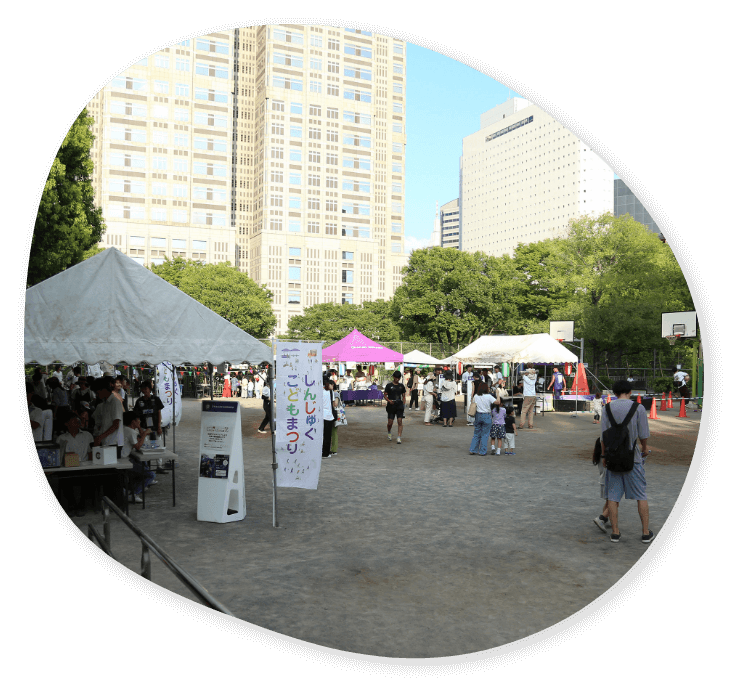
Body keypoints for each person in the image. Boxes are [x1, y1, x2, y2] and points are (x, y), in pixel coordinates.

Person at [600, 380, 653, 543]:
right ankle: (645, 532)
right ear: (630, 392)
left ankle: (615, 532)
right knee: (641, 495)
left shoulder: (607, 408)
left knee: (613, 496)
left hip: (613, 457)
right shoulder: (638, 408)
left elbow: (603, 437)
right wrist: (645, 448)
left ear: (615, 393)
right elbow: (643, 434)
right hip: (633, 457)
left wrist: (603, 456)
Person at [56, 407, 95, 516]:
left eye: (77, 420)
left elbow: (91, 453)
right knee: (65, 480)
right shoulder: (61, 438)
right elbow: (60, 457)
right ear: (66, 424)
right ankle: (71, 505)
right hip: (69, 468)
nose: (77, 422)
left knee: (89, 479)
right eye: (73, 421)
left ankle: (82, 505)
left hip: (85, 467)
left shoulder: (87, 435)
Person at [121, 411, 156, 503]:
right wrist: (144, 434)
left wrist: (141, 432)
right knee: (151, 475)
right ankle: (133, 494)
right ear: (133, 421)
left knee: (142, 464)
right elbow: (138, 446)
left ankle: (131, 490)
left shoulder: (125, 429)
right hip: (124, 460)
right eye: (138, 420)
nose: (140, 421)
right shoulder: (130, 431)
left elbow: (136, 442)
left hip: (123, 458)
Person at [91, 377, 124, 453]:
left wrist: (100, 437)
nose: (96, 395)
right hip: (106, 441)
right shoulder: (104, 404)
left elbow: (116, 425)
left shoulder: (115, 402)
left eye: (97, 392)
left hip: (114, 442)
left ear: (103, 390)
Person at [469, 382, 499, 456]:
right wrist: (498, 394)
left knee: (476, 433)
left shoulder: (476, 396)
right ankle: (482, 451)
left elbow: (472, 402)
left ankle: (473, 449)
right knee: (485, 434)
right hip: (487, 415)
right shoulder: (489, 396)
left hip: (478, 415)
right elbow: (498, 402)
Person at [132, 380, 164, 450]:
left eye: (145, 388)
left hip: (155, 427)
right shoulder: (139, 401)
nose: (144, 390)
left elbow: (159, 413)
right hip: (144, 428)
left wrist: (159, 427)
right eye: (142, 389)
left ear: (150, 389)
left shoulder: (156, 399)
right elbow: (136, 417)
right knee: (145, 447)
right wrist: (140, 429)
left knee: (157, 446)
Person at [592, 437, 612, 533]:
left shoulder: (598, 456)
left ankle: (606, 519)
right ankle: (601, 518)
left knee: (608, 502)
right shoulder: (606, 457)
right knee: (614, 502)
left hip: (603, 481)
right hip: (608, 481)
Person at [383, 370, 406, 443]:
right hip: (391, 405)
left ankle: (399, 437)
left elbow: (404, 396)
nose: (397, 379)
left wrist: (404, 404)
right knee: (390, 422)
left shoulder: (401, 386)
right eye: (396, 377)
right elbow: (385, 395)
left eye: (399, 378)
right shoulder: (389, 385)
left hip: (399, 405)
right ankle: (389, 432)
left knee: (400, 421)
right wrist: (389, 400)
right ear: (393, 377)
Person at [520, 365, 538, 430]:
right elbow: (535, 373)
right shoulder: (535, 376)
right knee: (531, 411)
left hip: (527, 395)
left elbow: (521, 373)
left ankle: (521, 425)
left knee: (524, 411)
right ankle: (530, 425)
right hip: (533, 395)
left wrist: (526, 373)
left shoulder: (525, 377)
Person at [321, 378, 335, 458]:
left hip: (320, 415)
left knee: (320, 434)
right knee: (327, 435)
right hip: (328, 415)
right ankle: (326, 452)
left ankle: (321, 450)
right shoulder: (330, 392)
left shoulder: (319, 391)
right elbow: (334, 404)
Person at [329, 380, 342, 457]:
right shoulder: (330, 393)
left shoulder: (335, 393)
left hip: (334, 414)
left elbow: (335, 404)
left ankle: (334, 449)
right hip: (330, 414)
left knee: (334, 432)